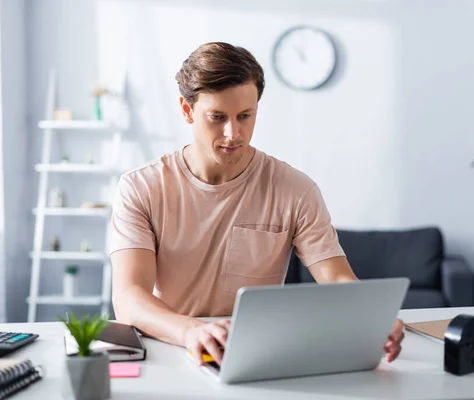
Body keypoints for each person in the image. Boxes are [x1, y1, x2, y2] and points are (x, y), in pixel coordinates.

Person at [109, 42, 405, 366]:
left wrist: (371, 316)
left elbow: (335, 278)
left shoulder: (296, 190)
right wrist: (190, 331)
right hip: (172, 345)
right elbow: (129, 298)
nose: (233, 133)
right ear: (186, 109)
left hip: (256, 355)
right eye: (217, 117)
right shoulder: (141, 187)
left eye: (245, 116)